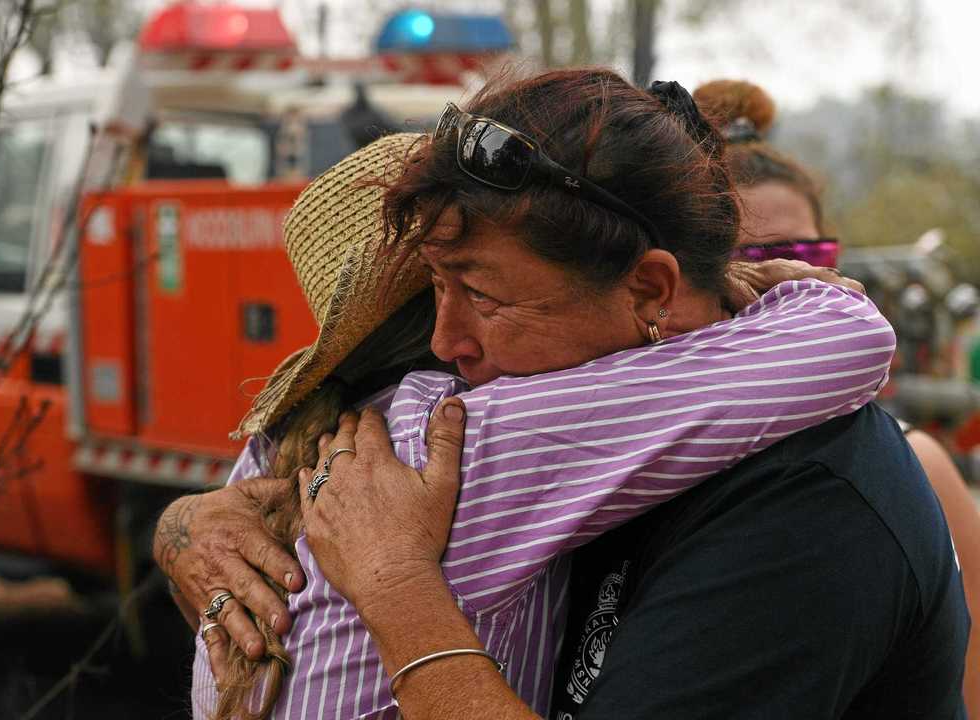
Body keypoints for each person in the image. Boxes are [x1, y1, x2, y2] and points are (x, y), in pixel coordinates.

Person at [154, 69, 901, 719]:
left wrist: (177, 524)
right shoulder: (457, 436)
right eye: (443, 288)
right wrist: (764, 293)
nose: (452, 341)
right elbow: (853, 339)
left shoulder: (280, 451)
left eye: (480, 292)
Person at [694, 78, 980, 714]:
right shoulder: (651, 470)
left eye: (804, 254)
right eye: (743, 262)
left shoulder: (919, 467)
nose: (779, 284)